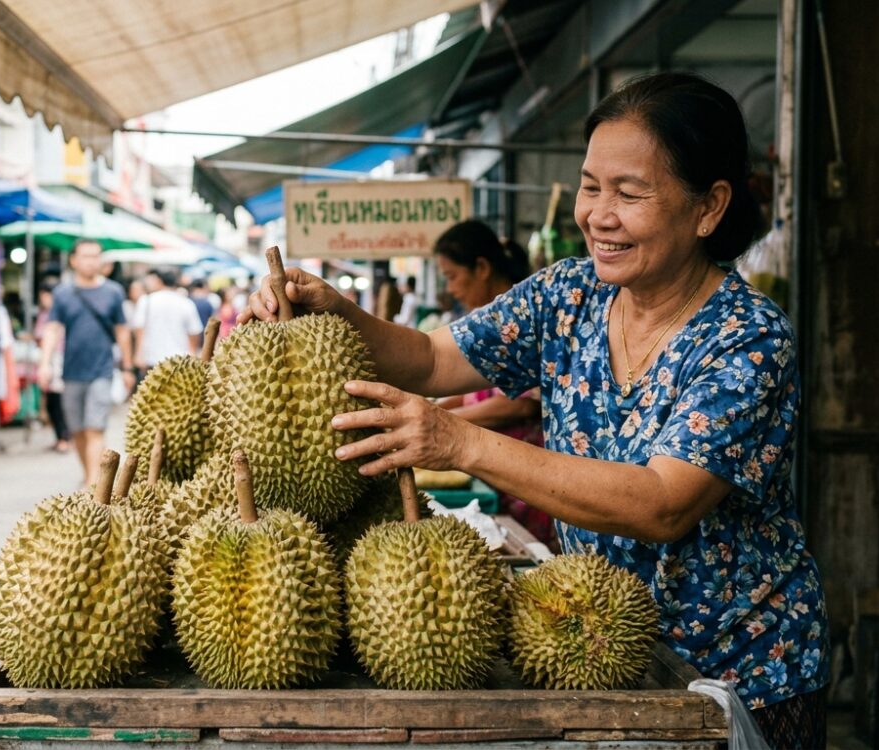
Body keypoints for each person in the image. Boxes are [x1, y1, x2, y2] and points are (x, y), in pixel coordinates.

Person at [246, 73, 828, 747]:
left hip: (742, 670)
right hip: (602, 645)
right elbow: (435, 360)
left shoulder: (748, 338)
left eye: (629, 193)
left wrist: (460, 443)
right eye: (590, 186)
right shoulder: (570, 293)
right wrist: (337, 310)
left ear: (708, 207)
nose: (598, 215)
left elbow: (662, 504)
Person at [431, 221, 554, 544]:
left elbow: (517, 403)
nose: (451, 289)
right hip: (495, 469)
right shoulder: (481, 320)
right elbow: (473, 393)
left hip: (529, 471)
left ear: (482, 267)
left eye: (452, 276)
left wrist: (441, 423)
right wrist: (437, 407)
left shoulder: (520, 318)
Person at [37, 239, 134, 488]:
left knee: (94, 429)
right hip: (71, 373)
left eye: (95, 256)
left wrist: (127, 367)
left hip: (102, 371)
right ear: (74, 260)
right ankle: (88, 474)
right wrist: (45, 363)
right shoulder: (62, 293)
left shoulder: (113, 291)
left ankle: (93, 485)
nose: (91, 261)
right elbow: (53, 328)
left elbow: (122, 331)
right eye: (86, 256)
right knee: (77, 431)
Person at [135, 268, 202, 379]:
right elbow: (194, 332)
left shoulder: (146, 301)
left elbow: (139, 329)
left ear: (159, 281)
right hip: (179, 361)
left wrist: (138, 354)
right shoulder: (186, 303)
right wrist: (193, 354)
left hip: (152, 360)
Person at [34, 279, 71, 453]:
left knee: (57, 401)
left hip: (58, 360)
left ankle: (64, 437)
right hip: (48, 360)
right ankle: (60, 436)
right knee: (51, 401)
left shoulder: (61, 315)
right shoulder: (45, 314)